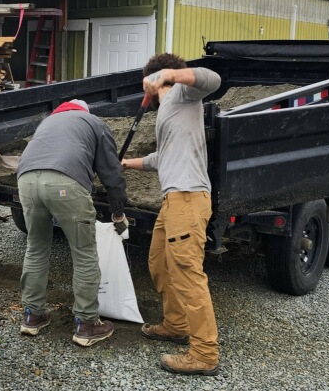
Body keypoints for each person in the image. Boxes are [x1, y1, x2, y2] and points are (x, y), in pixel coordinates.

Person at [120, 53, 223, 375]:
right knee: (160, 264)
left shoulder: (182, 93)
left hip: (188, 198)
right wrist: (124, 163)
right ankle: (176, 325)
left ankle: (205, 354)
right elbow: (160, 158)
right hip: (172, 202)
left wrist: (168, 75)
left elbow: (212, 79)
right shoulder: (168, 109)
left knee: (187, 274)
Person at [15, 99, 130, 347]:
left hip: (25, 180)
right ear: (84, 112)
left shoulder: (47, 123)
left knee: (35, 248)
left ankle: (32, 316)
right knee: (84, 253)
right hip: (65, 183)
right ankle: (87, 324)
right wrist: (118, 212)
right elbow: (111, 174)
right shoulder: (94, 122)